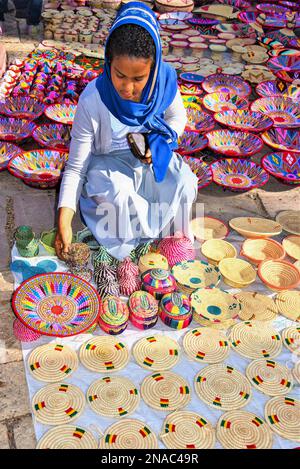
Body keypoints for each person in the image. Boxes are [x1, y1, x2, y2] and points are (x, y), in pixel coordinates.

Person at [55, 1, 198, 262]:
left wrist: (159, 143)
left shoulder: (164, 82)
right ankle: (132, 244)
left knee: (184, 183)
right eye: (120, 75)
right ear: (108, 61)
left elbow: (178, 117)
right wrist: (64, 222)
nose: (128, 88)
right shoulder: (93, 99)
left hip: (147, 158)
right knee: (120, 197)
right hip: (108, 165)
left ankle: (162, 237)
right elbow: (76, 168)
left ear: (153, 70)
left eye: (138, 78)